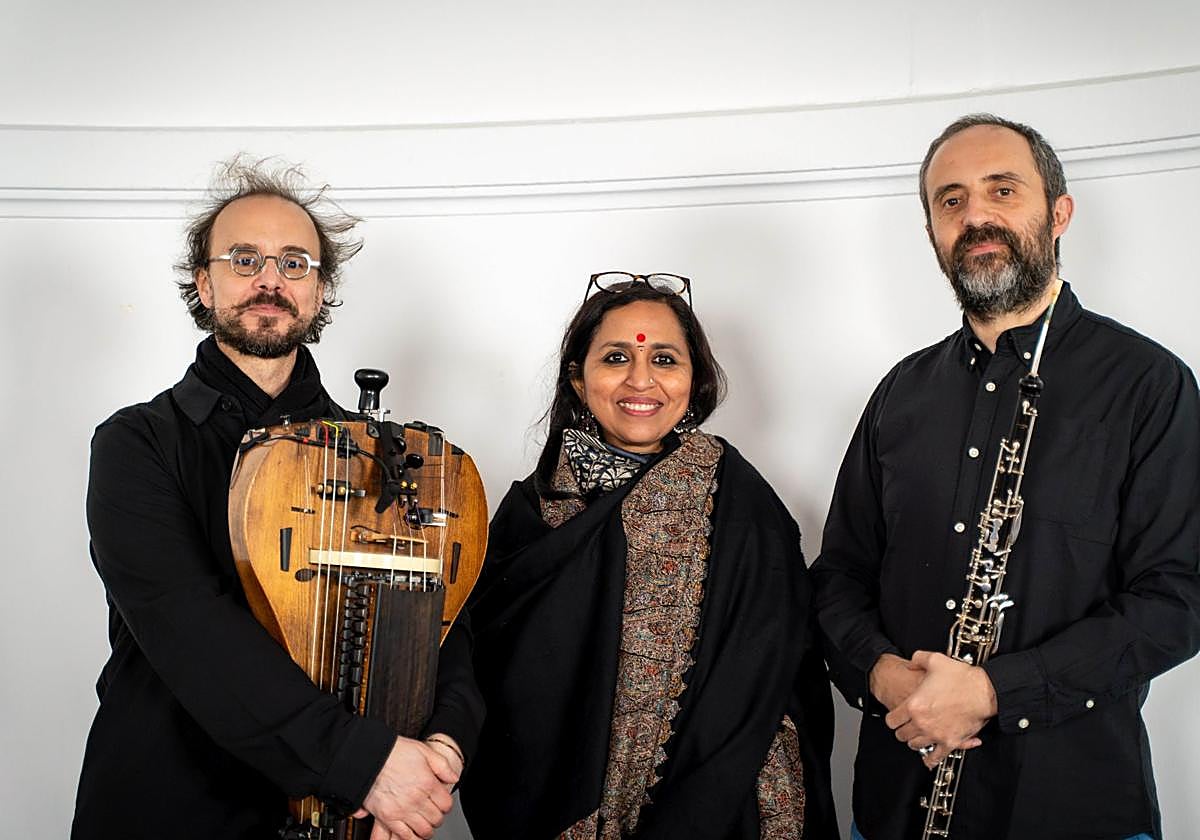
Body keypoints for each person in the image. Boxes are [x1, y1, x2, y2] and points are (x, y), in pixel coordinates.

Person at [811, 114, 1200, 840]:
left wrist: (995, 691)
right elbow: (838, 576)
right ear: (931, 229)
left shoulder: (1149, 384)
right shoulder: (901, 393)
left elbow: (1179, 600)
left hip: (1074, 807)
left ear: (1059, 212)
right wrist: (883, 674)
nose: (976, 215)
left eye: (1002, 189)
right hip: (896, 804)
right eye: (950, 200)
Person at [72, 159, 483, 840]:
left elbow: (449, 619)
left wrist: (440, 748)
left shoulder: (390, 452)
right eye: (244, 259)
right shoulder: (135, 444)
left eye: (295, 263)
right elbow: (189, 628)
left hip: (351, 817)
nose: (270, 279)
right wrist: (371, 768)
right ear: (205, 283)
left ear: (320, 291)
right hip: (169, 804)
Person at [459, 273, 839, 839]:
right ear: (578, 379)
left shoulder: (742, 506)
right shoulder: (527, 519)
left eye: (665, 359)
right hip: (554, 805)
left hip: (718, 806)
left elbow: (769, 674)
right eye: (616, 357)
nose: (642, 380)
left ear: (694, 379)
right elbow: (489, 679)